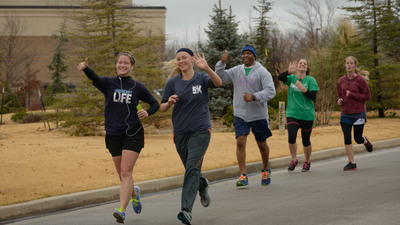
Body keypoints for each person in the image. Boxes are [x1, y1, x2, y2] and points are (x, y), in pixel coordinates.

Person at [77, 52, 160, 223]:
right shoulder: (108, 83)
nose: (123, 65)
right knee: (122, 175)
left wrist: (148, 112)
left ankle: (121, 210)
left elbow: (155, 103)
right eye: (120, 63)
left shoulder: (137, 86)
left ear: (132, 66)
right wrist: (86, 69)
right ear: (117, 65)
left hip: (133, 132)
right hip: (113, 133)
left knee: (126, 172)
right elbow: (96, 78)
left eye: (126, 63)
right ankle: (134, 193)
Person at [160, 48, 222, 225]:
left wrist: (207, 68)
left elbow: (218, 83)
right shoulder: (173, 82)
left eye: (184, 58)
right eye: (178, 59)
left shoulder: (201, 78)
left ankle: (186, 210)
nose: (181, 61)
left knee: (191, 168)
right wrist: (169, 102)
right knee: (191, 169)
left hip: (201, 131)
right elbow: (162, 106)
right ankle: (202, 185)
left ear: (191, 59)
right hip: (179, 132)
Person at [215, 45, 276, 187]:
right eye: (243, 54)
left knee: (262, 144)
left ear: (254, 56)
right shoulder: (237, 70)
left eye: (249, 53)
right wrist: (221, 63)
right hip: (240, 114)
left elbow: (270, 91)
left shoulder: (262, 72)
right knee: (240, 142)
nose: (245, 56)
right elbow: (220, 77)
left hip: (258, 114)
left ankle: (266, 170)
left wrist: (254, 97)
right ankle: (243, 175)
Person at [278, 59, 319, 172]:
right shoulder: (291, 78)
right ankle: (294, 159)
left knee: (306, 140)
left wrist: (303, 89)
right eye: (300, 63)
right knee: (291, 137)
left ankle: (306, 162)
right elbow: (280, 78)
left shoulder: (311, 80)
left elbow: (313, 96)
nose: (302, 64)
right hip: (292, 113)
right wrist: (288, 72)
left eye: (305, 63)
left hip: (307, 115)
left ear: (307, 68)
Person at [337, 56, 373, 171]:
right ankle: (351, 162)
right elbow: (339, 95)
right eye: (347, 63)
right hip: (345, 114)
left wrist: (352, 95)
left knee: (357, 138)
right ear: (345, 65)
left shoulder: (360, 80)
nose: (349, 65)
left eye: (351, 63)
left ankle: (365, 141)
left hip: (358, 113)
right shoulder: (341, 81)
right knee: (347, 137)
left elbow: (367, 96)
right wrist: (339, 100)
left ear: (355, 65)